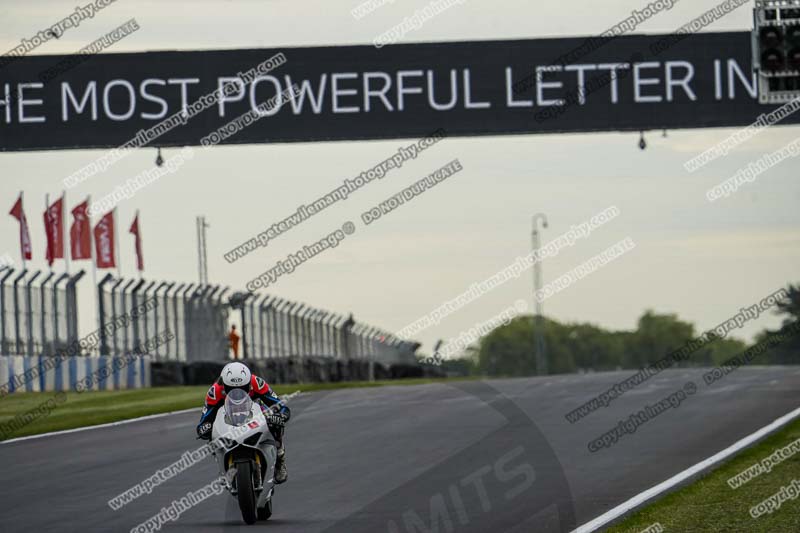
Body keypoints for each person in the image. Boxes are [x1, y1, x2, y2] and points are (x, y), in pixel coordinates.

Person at [196, 362, 291, 483]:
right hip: (227, 416)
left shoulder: (257, 383)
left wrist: (281, 415)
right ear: (225, 385)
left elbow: (279, 405)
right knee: (211, 432)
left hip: (255, 413)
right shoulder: (215, 391)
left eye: (242, 388)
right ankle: (221, 467)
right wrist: (204, 427)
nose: (237, 393)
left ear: (249, 384)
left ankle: (280, 459)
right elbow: (204, 419)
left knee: (275, 421)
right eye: (231, 389)